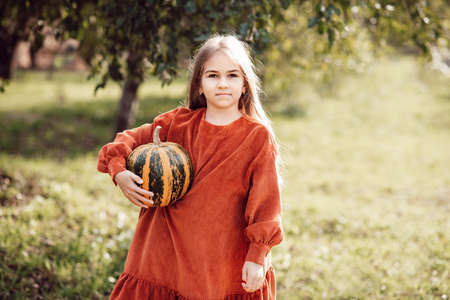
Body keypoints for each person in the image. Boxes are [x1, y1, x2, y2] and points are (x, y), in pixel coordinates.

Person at [97, 34, 284, 300]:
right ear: (199, 84)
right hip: (164, 255)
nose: (222, 84)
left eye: (232, 76)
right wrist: (120, 173)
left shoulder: (256, 137)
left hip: (220, 262)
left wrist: (256, 256)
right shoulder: (177, 124)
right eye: (212, 76)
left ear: (245, 85)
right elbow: (125, 141)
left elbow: (267, 204)